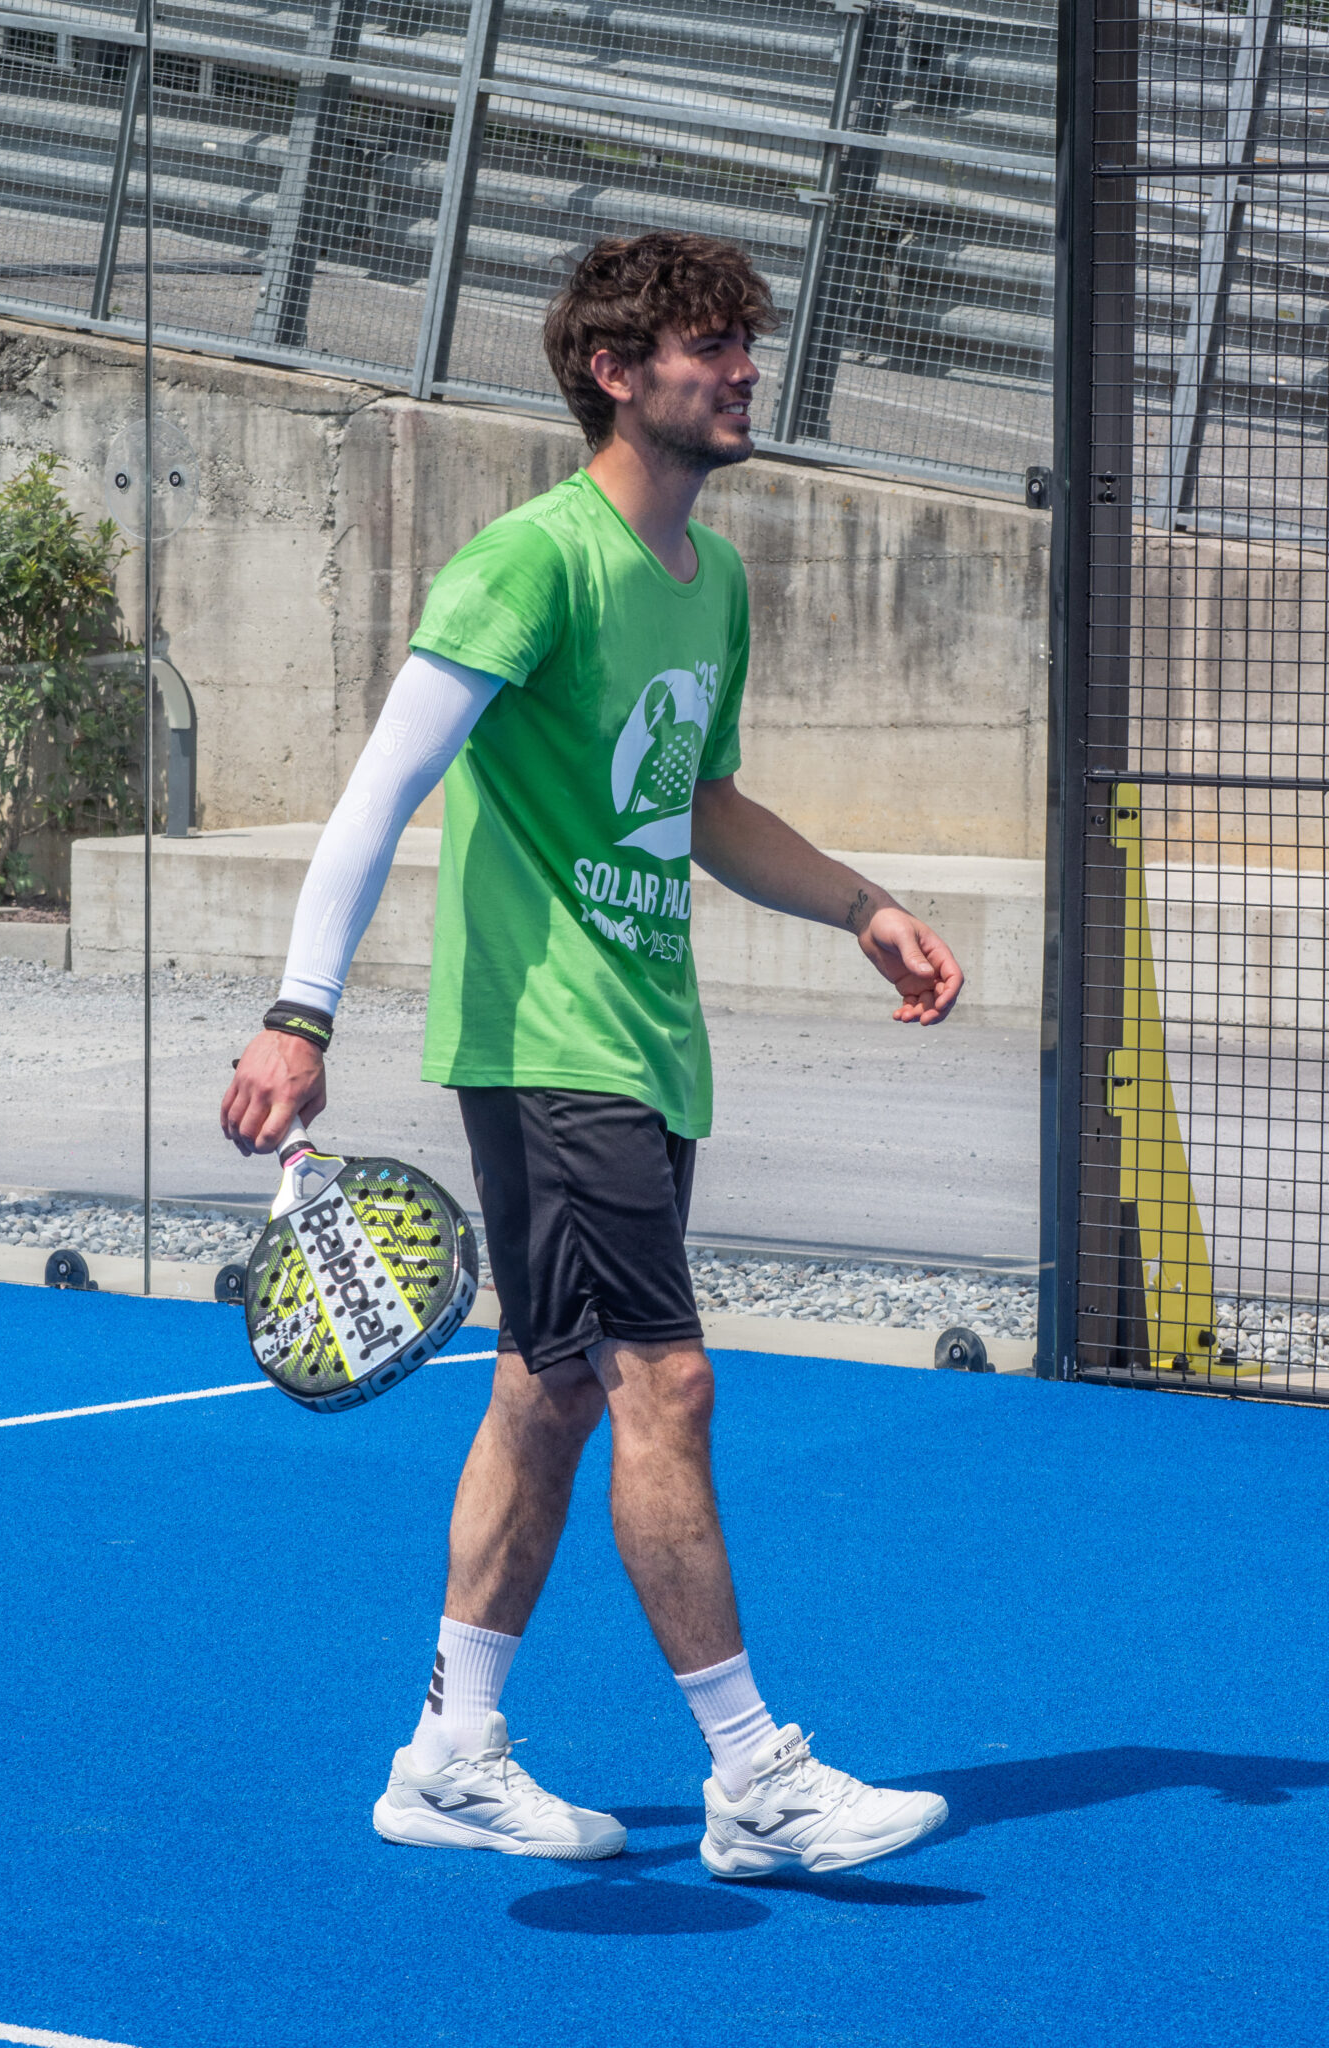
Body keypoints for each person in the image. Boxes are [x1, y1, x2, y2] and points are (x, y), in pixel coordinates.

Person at [221, 232, 964, 1881]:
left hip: (647, 1039)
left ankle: (448, 1755)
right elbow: (380, 791)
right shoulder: (529, 563)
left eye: (748, 342)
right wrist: (300, 1011)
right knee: (663, 1380)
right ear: (616, 373)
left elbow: (698, 803)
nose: (747, 369)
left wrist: (860, 905)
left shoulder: (714, 581)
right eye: (711, 346)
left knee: (548, 1387)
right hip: (548, 1044)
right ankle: (755, 1777)